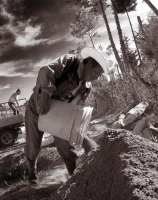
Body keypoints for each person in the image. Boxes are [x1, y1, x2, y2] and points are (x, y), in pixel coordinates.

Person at [24, 47, 112, 184]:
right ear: (89, 63)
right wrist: (46, 96)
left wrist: (82, 137)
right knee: (33, 144)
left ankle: (74, 180)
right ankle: (31, 170)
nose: (97, 77)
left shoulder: (86, 88)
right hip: (37, 108)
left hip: (58, 113)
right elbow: (45, 71)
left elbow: (74, 113)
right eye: (97, 72)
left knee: (66, 146)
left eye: (100, 75)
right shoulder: (70, 61)